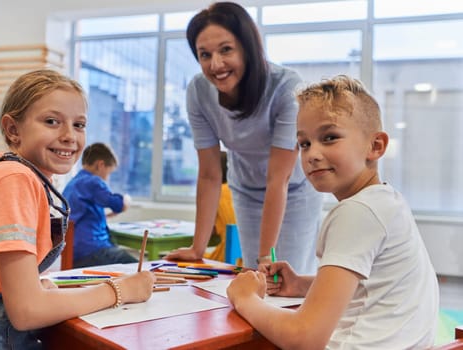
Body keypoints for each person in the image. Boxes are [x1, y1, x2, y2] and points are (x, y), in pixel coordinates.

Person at [0, 69, 154, 349]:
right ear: (13, 130)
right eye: (52, 121)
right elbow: (27, 311)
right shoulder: (13, 179)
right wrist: (119, 290)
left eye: (79, 125)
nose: (69, 136)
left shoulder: (21, 177)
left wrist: (37, 289)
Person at [226, 75, 439, 349]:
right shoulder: (387, 201)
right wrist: (303, 286)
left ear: (375, 146)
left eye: (329, 137)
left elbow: (304, 338)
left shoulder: (357, 212)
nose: (312, 154)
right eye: (304, 143)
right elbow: (377, 286)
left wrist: (245, 298)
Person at [165, 1, 322, 272]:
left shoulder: (286, 87)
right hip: (246, 187)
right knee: (253, 272)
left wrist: (266, 257)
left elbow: (278, 179)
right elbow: (210, 175)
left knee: (285, 272)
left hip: (293, 189)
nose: (216, 64)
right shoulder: (199, 92)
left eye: (226, 50)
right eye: (204, 54)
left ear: (247, 48)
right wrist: (197, 249)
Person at [63, 142, 137, 267]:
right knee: (139, 267)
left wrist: (106, 216)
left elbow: (81, 215)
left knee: (115, 245)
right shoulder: (93, 181)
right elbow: (118, 204)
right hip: (91, 250)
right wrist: (127, 199)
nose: (107, 178)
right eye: (109, 173)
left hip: (72, 252)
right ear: (100, 165)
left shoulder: (72, 184)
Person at [204, 150, 237, 262]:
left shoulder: (216, 194)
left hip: (225, 256)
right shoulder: (238, 192)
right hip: (243, 257)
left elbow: (208, 230)